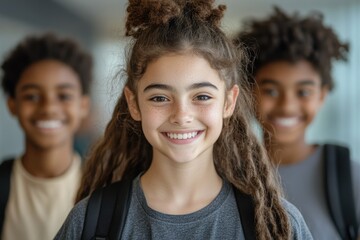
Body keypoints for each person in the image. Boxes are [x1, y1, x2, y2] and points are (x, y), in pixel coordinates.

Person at [55, 1, 312, 239]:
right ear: (134, 104)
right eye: (159, 98)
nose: (181, 116)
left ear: (228, 102)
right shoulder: (90, 221)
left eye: (201, 96)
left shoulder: (275, 226)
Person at [233, 7, 360, 240]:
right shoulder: (228, 175)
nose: (287, 106)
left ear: (322, 95)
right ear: (248, 93)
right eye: (270, 90)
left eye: (303, 92)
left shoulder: (351, 178)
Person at [0, 33, 92, 240]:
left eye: (64, 96)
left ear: (83, 106)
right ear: (12, 105)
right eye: (32, 96)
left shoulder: (105, 190)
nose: (49, 108)